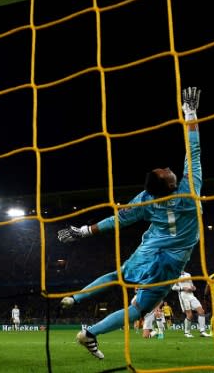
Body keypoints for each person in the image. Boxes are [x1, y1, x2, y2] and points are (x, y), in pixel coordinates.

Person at [57, 87, 203, 360]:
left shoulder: (146, 199)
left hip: (149, 249)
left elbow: (118, 220)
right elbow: (193, 151)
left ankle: (76, 299)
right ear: (170, 185)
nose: (168, 168)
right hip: (171, 260)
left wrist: (84, 231)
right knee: (138, 308)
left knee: (116, 276)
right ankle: (91, 332)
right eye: (167, 172)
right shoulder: (189, 189)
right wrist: (191, 114)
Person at [172, 271, 210, 337]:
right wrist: (182, 288)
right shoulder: (175, 274)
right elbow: (173, 287)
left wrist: (193, 287)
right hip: (183, 295)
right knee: (190, 315)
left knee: (201, 311)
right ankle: (187, 332)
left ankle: (202, 331)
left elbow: (191, 284)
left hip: (191, 295)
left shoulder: (188, 274)